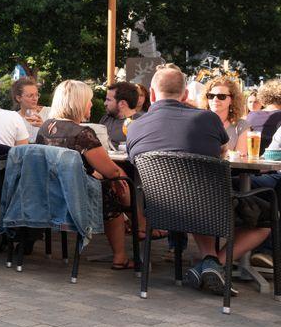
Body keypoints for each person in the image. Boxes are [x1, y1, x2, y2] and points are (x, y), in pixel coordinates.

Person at [126, 66, 271, 295]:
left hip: (157, 207)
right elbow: (222, 152)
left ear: (151, 95)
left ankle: (208, 263)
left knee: (195, 197)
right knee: (265, 221)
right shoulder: (207, 119)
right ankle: (214, 264)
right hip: (205, 205)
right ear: (185, 96)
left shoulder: (134, 127)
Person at [36, 80, 133, 269]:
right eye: (88, 100)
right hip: (76, 197)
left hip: (52, 194)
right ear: (79, 103)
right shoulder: (81, 133)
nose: (90, 104)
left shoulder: (46, 127)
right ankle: (121, 256)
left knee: (107, 182)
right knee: (115, 193)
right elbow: (111, 170)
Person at [198, 76, 248, 152]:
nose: (215, 100)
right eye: (211, 96)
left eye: (221, 96)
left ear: (232, 100)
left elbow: (240, 159)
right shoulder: (199, 123)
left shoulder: (241, 126)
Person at [101, 81, 141, 146]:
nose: (105, 103)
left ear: (122, 103)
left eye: (108, 100)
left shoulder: (139, 123)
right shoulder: (106, 118)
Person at [11, 77, 49, 141]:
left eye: (37, 95)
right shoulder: (14, 118)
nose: (35, 98)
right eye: (30, 96)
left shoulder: (49, 112)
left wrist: (43, 127)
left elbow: (59, 141)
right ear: (18, 98)